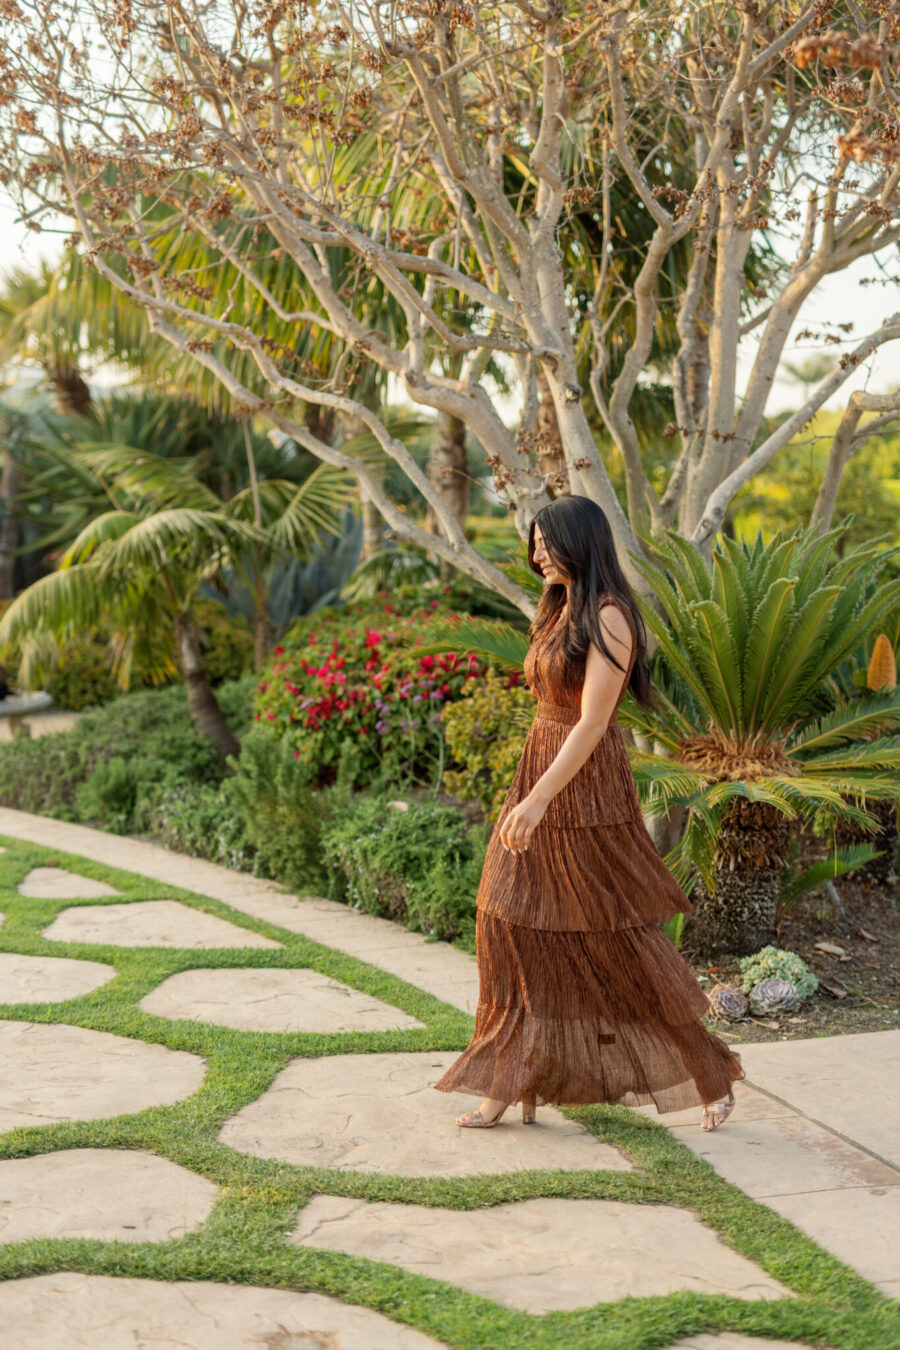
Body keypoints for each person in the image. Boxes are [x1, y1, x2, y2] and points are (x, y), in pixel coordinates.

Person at [435, 496, 744, 1131]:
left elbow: (595, 721)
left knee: (613, 935)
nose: (537, 551)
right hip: (542, 770)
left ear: (583, 540)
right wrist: (531, 790)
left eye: (548, 540)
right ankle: (510, 1078)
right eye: (534, 541)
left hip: (582, 790)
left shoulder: (610, 616)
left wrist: (541, 797)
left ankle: (709, 1074)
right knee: (507, 920)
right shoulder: (560, 609)